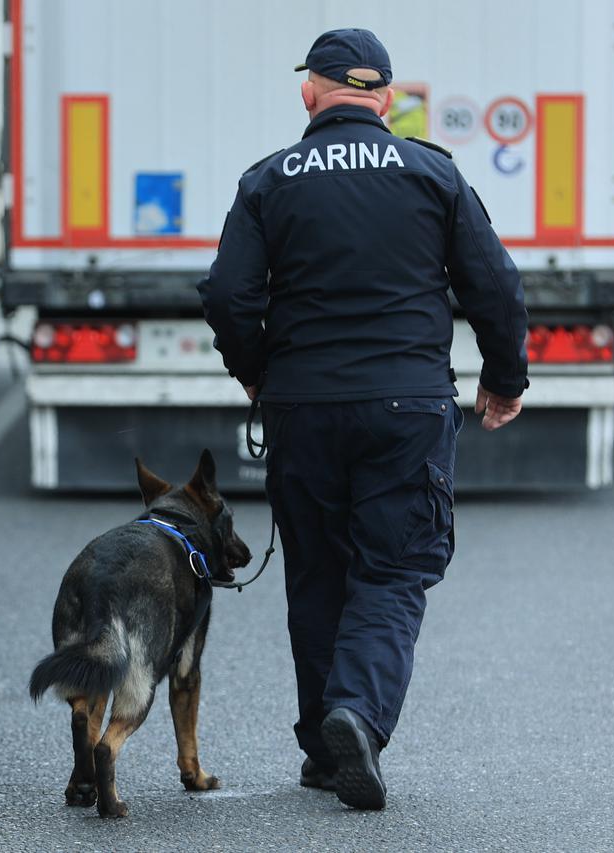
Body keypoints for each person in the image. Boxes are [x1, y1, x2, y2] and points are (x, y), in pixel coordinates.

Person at [197, 28, 528, 810]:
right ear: (385, 98)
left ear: (309, 93)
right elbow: (494, 285)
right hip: (407, 406)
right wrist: (505, 379)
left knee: (317, 572)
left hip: (302, 407)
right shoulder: (431, 173)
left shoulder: (269, 180)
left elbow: (227, 296)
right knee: (393, 567)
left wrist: (258, 375)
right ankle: (357, 714)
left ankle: (324, 747)